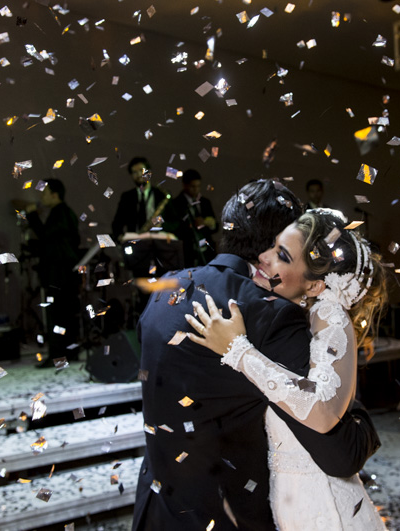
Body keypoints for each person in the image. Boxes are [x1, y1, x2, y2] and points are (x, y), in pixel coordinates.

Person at [133, 180, 381, 531]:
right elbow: (342, 453)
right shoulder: (267, 313)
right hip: (229, 518)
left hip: (155, 513)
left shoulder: (163, 292)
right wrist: (362, 421)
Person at [186, 209, 388, 530]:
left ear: (314, 286)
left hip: (324, 505)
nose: (263, 258)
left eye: (281, 255)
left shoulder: (330, 315)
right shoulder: (299, 314)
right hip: (290, 497)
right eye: (272, 247)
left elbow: (322, 410)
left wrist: (238, 351)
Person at [24, 179, 81, 367]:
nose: (42, 196)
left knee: (57, 314)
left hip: (59, 272)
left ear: (54, 194)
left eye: (45, 192)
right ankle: (69, 352)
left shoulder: (60, 213)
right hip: (65, 271)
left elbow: (46, 235)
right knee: (66, 313)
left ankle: (58, 355)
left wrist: (32, 215)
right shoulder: (66, 213)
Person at [162, 169, 218, 267]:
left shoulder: (205, 202)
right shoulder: (176, 204)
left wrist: (209, 223)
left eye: (198, 186)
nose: (196, 189)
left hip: (206, 251)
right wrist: (191, 225)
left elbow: (216, 227)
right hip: (187, 252)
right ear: (185, 185)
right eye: (193, 186)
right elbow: (173, 228)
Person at [111, 157, 171, 242]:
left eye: (141, 171)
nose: (139, 175)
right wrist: (120, 237)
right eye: (134, 172)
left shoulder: (161, 195)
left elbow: (174, 222)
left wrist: (161, 225)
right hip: (135, 244)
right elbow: (117, 223)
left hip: (158, 241)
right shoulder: (127, 197)